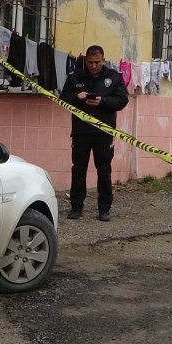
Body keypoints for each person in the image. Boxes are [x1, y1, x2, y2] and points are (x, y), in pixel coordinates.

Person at [59, 45, 129, 222]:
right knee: (78, 169)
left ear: (103, 59)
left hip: (104, 132)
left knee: (104, 170)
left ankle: (104, 209)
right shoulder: (75, 77)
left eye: (97, 62)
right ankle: (76, 207)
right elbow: (63, 99)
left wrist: (102, 101)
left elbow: (122, 100)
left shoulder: (114, 78)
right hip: (81, 132)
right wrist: (77, 97)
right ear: (86, 61)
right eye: (90, 62)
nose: (94, 66)